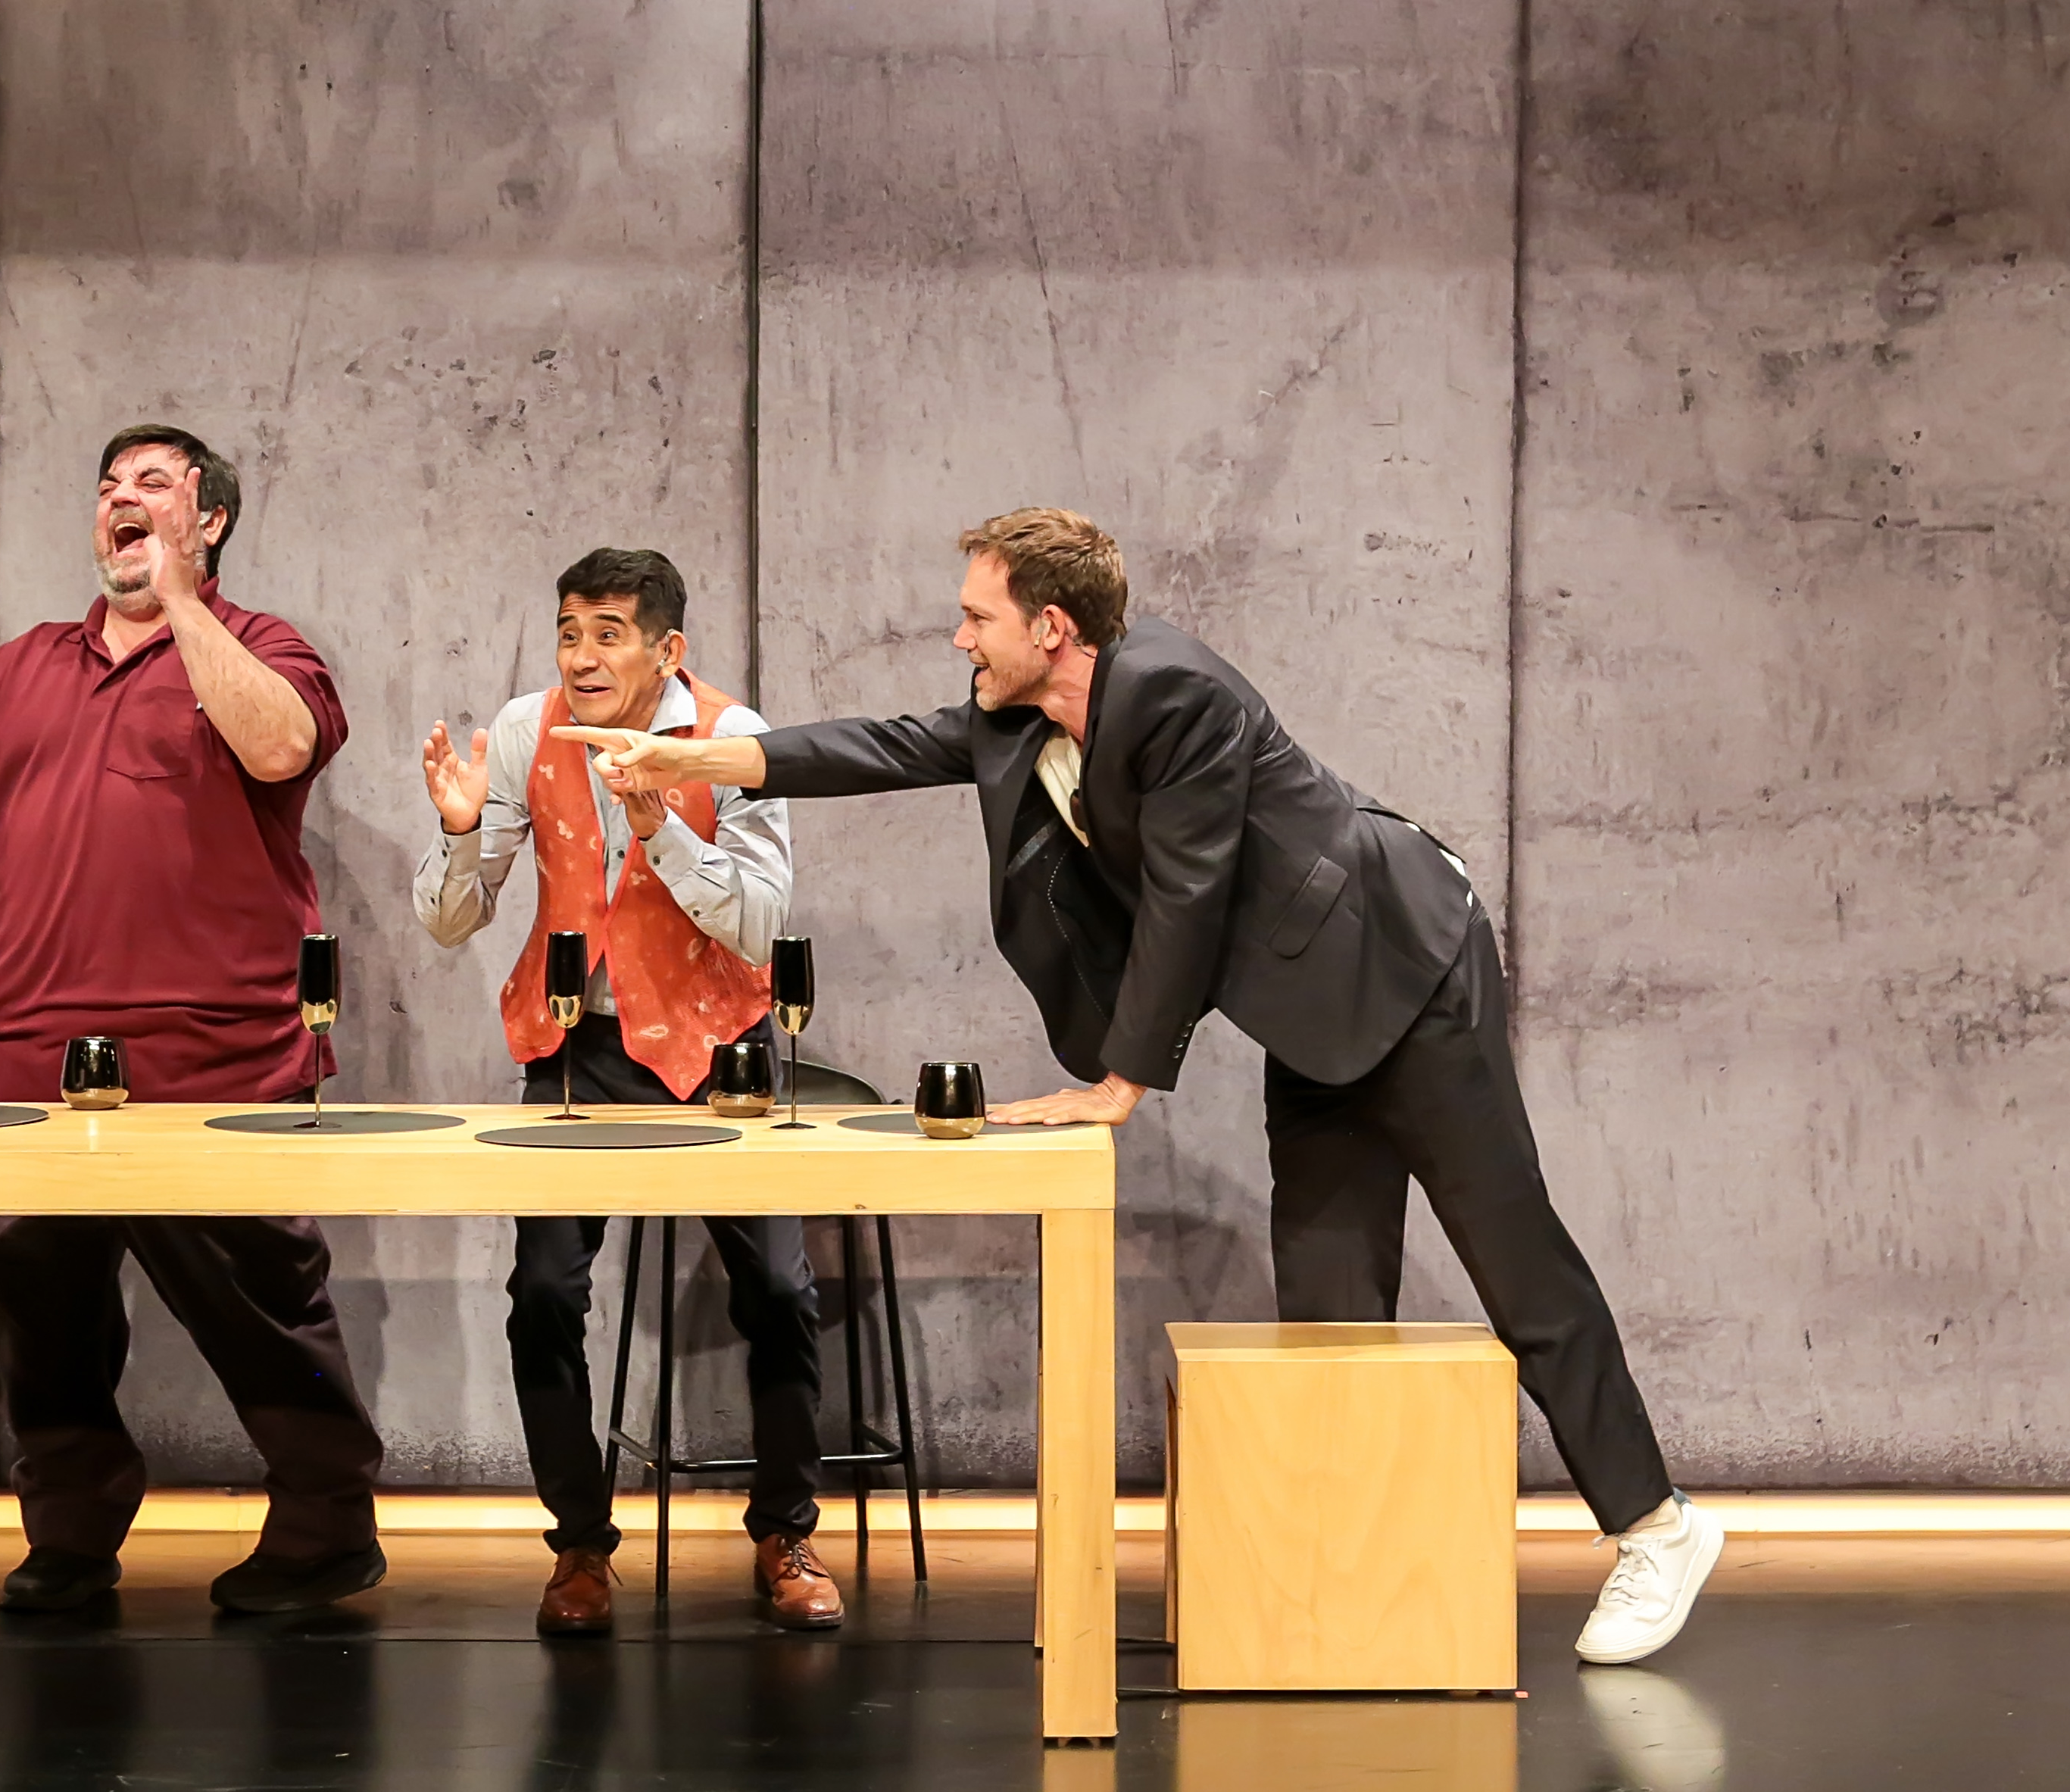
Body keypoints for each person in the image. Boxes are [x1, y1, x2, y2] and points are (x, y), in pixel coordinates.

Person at [562, 508, 1727, 1666]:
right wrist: (687, 758)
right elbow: (884, 746)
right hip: (1307, 1013)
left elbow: (1189, 892)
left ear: (1051, 626)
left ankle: (1656, 1526)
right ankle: (1343, 1593)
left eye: (977, 616)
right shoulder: (1016, 714)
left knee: (1515, 1257)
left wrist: (1121, 1084)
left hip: (1407, 966)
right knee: (1328, 1296)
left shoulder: (1178, 693)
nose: (960, 637)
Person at [0, 424, 382, 1616]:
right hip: (20, 1042)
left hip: (218, 1048)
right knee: (29, 1298)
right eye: (110, 487)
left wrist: (183, 598)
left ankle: (327, 1521)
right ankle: (72, 1526)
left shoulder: (263, 645)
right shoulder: (23, 665)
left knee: (261, 1295)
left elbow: (280, 744)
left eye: (155, 484)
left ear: (211, 519)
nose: (122, 500)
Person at [416, 545, 838, 1637]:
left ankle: (785, 1533)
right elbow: (452, 921)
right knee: (544, 1292)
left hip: (720, 1047)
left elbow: (760, 924)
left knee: (780, 1290)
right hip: (578, 1046)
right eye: (570, 633)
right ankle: (578, 1543)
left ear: (667, 649)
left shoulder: (732, 740)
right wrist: (459, 833)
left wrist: (661, 830)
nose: (583, 657)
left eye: (609, 634)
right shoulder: (528, 731)